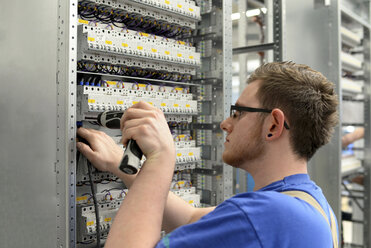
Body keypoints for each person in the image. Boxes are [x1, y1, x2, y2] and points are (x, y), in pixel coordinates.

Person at [77, 61, 339, 248]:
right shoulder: (310, 205)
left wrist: (161, 158)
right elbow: (189, 219)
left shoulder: (268, 214)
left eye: (238, 113)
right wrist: (120, 165)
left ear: (273, 125)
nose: (226, 123)